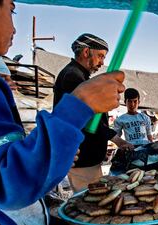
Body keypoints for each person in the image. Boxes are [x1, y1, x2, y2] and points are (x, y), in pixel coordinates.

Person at [0, 1, 125, 224]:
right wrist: (82, 102)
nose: (15, 29)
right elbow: (6, 182)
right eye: (12, 9)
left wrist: (40, 148)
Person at [53, 33, 133, 192]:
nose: (102, 62)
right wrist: (117, 139)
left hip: (89, 159)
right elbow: (89, 118)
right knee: (89, 204)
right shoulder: (73, 76)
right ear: (85, 52)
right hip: (83, 159)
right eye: (100, 56)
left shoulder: (79, 76)